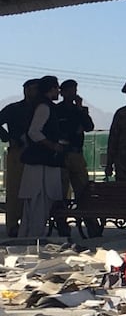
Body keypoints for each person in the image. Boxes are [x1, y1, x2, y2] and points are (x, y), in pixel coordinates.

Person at [18, 76, 65, 237]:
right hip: (42, 163)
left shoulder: (37, 105)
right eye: (57, 88)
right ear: (51, 89)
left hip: (39, 162)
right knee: (39, 203)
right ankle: (33, 238)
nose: (58, 91)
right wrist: (52, 145)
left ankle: (28, 237)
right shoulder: (44, 107)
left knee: (34, 205)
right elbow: (34, 132)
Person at [0, 79, 38, 236]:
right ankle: (12, 225)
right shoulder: (14, 109)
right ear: (26, 90)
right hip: (18, 152)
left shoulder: (41, 109)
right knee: (14, 190)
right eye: (33, 89)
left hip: (37, 154)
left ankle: (30, 223)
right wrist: (8, 137)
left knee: (34, 191)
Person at [54, 79, 94, 200]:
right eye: (69, 91)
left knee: (82, 188)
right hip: (61, 153)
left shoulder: (80, 110)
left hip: (76, 153)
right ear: (62, 93)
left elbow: (89, 127)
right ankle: (61, 211)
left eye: (74, 91)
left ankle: (84, 210)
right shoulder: (56, 110)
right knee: (60, 189)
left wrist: (80, 109)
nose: (73, 94)